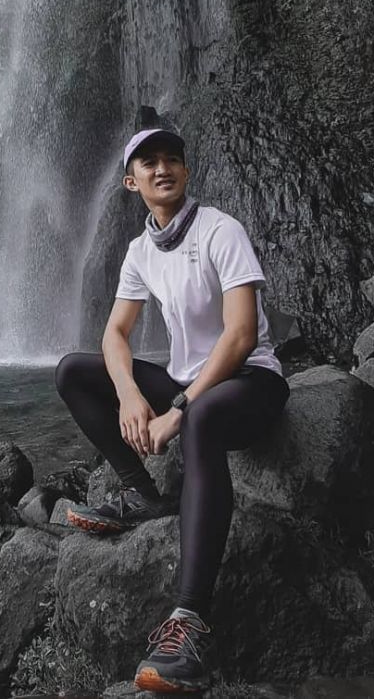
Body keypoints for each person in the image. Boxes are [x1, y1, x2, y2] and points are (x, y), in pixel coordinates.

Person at [54, 107, 289, 695]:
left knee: (202, 415)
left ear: (185, 171)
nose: (163, 168)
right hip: (185, 383)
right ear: (131, 181)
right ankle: (142, 493)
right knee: (74, 372)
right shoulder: (140, 250)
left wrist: (177, 410)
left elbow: (240, 336)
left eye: (172, 159)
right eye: (149, 162)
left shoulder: (219, 229)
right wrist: (132, 394)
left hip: (247, 382)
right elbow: (114, 334)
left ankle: (189, 620)